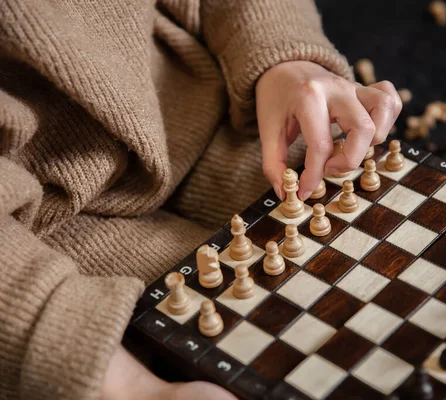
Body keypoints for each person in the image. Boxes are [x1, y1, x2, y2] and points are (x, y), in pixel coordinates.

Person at [0, 1, 401, 399]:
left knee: (389, 234)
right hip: (37, 238)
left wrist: (284, 57)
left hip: (200, 96)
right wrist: (127, 387)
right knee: (295, 347)